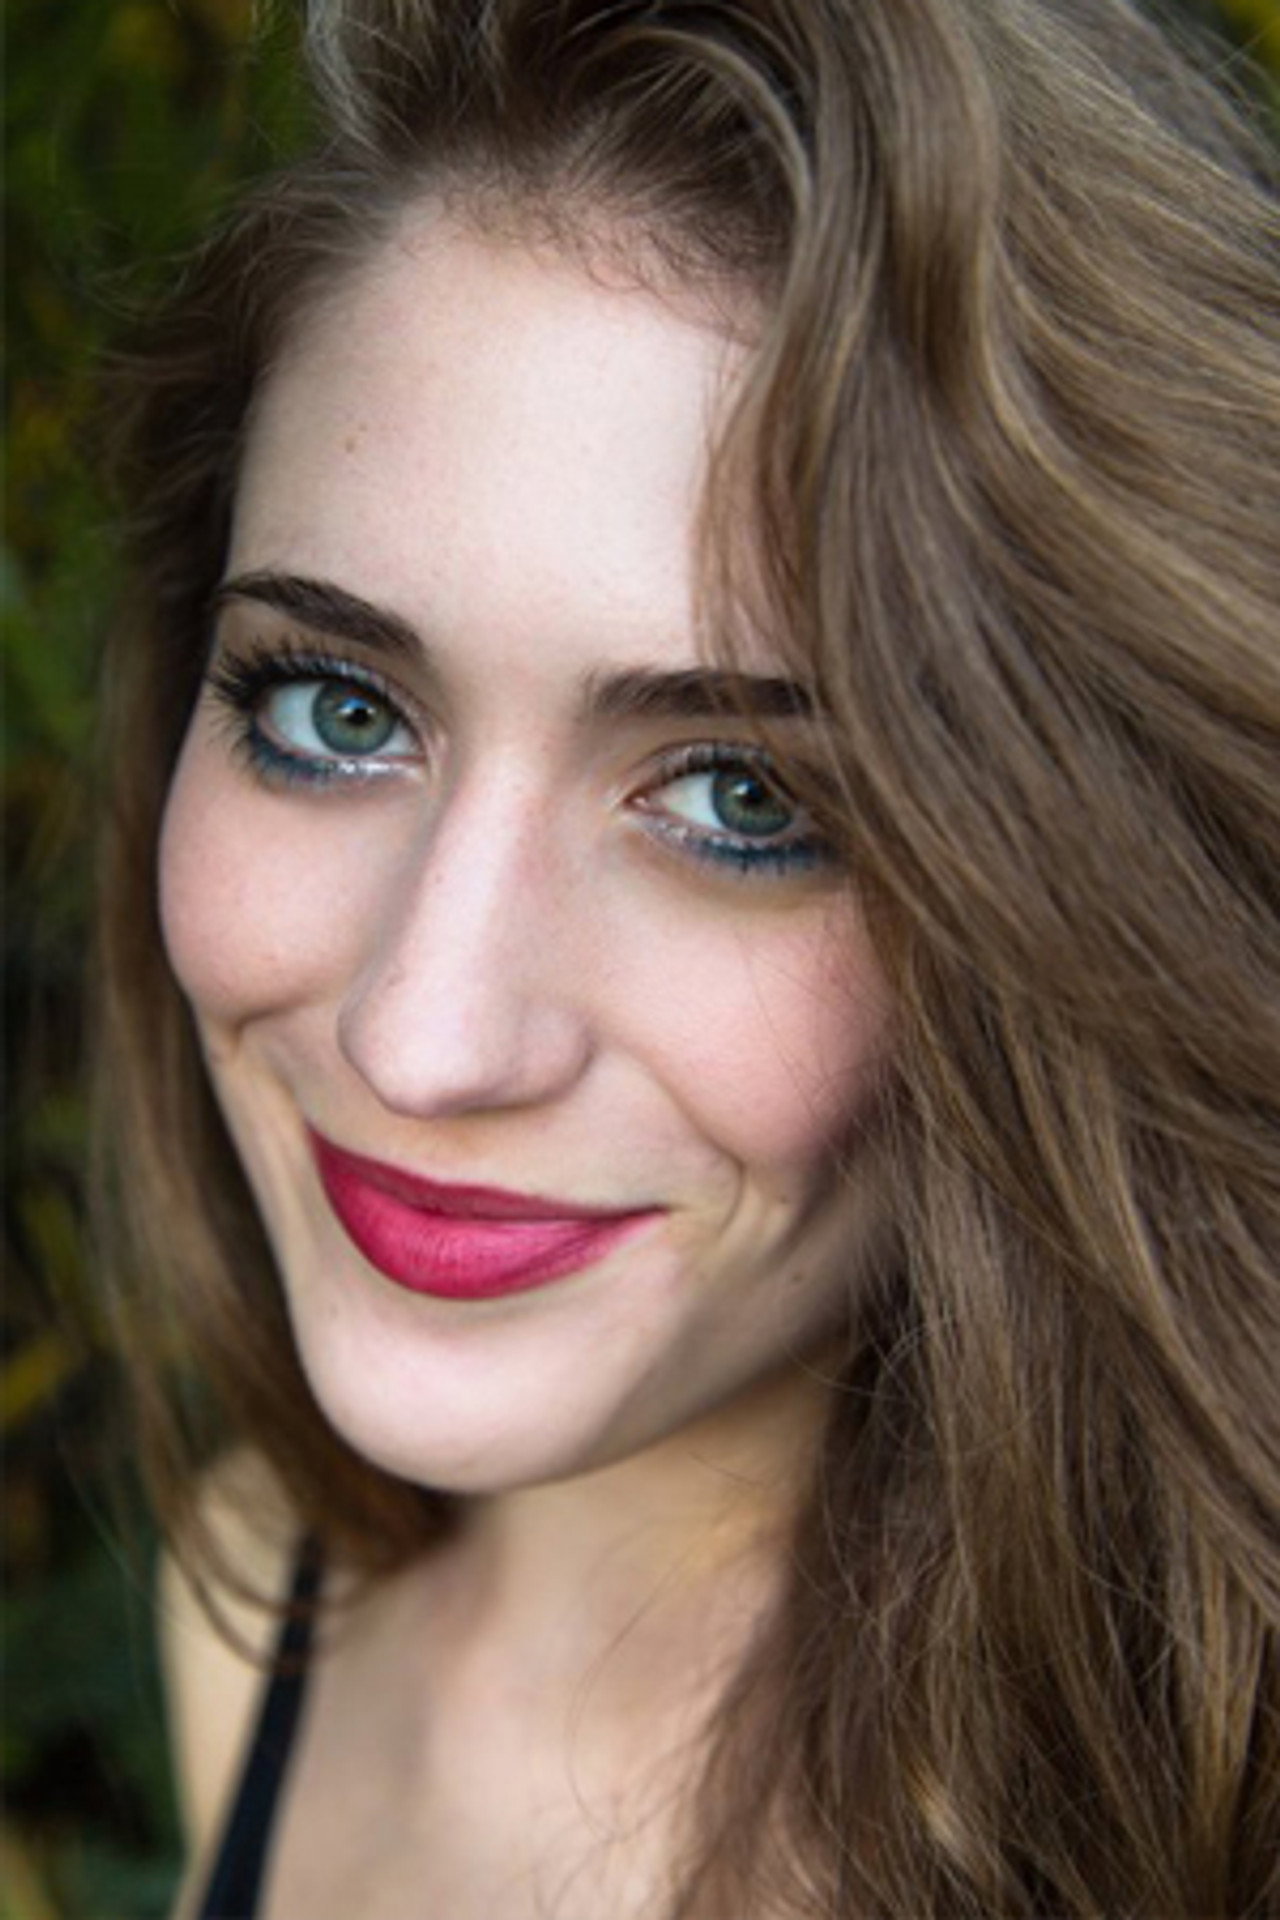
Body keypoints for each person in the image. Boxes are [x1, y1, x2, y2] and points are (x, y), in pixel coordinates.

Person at [95, 0, 1280, 1914]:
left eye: (742, 799)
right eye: (334, 711)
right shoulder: (264, 1598)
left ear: (1090, 900)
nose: (421, 1039)